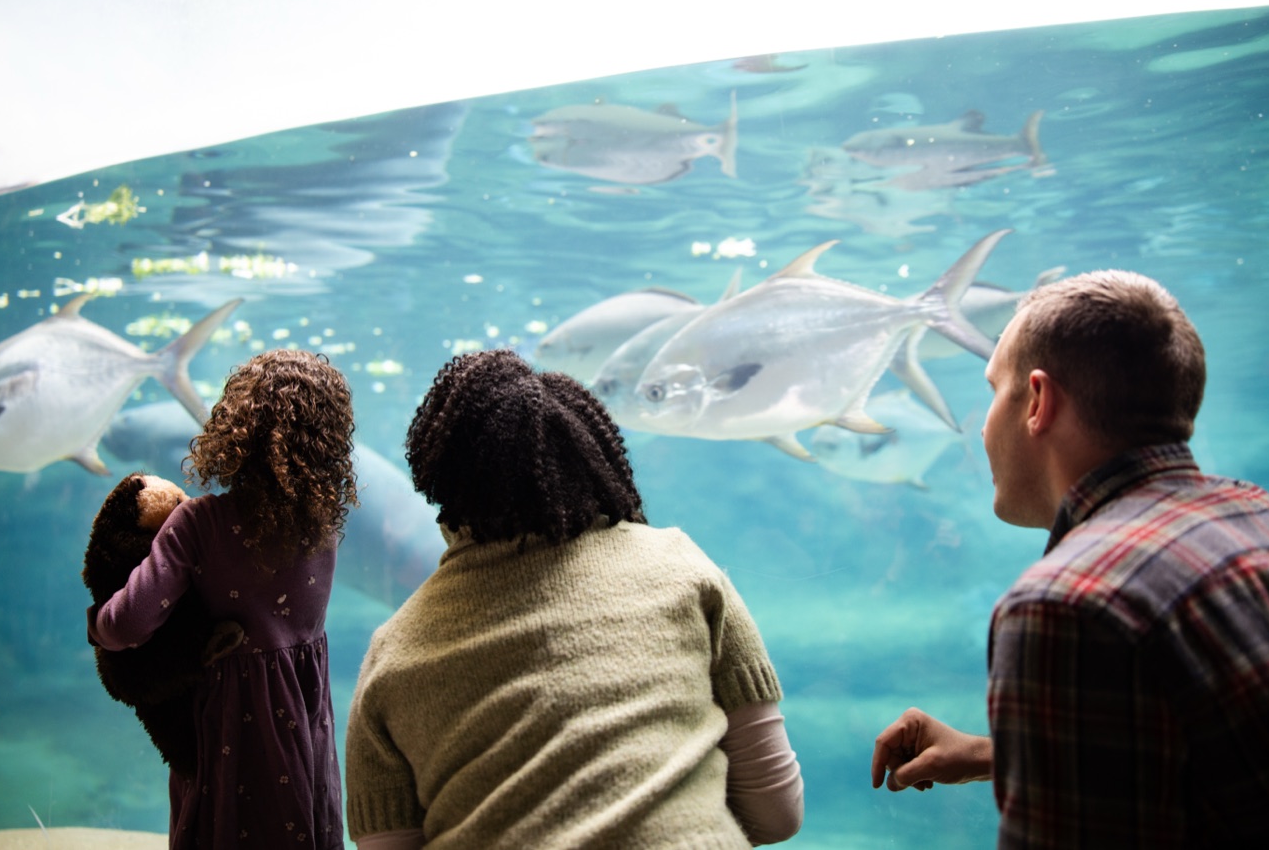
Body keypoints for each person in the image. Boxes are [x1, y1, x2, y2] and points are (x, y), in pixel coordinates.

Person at [869, 270, 1269, 847]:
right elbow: (1243, 754)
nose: (982, 427)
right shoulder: (1266, 518)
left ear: (1037, 401)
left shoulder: (1066, 606)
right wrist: (998, 752)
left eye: (992, 391)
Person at [343, 349, 803, 849]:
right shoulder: (684, 568)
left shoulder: (391, 654)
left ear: (436, 484)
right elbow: (775, 813)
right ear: (595, 456)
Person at [88, 349, 358, 849]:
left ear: (235, 429)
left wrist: (97, 623)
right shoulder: (324, 527)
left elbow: (129, 624)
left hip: (226, 723)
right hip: (303, 715)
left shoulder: (198, 524)